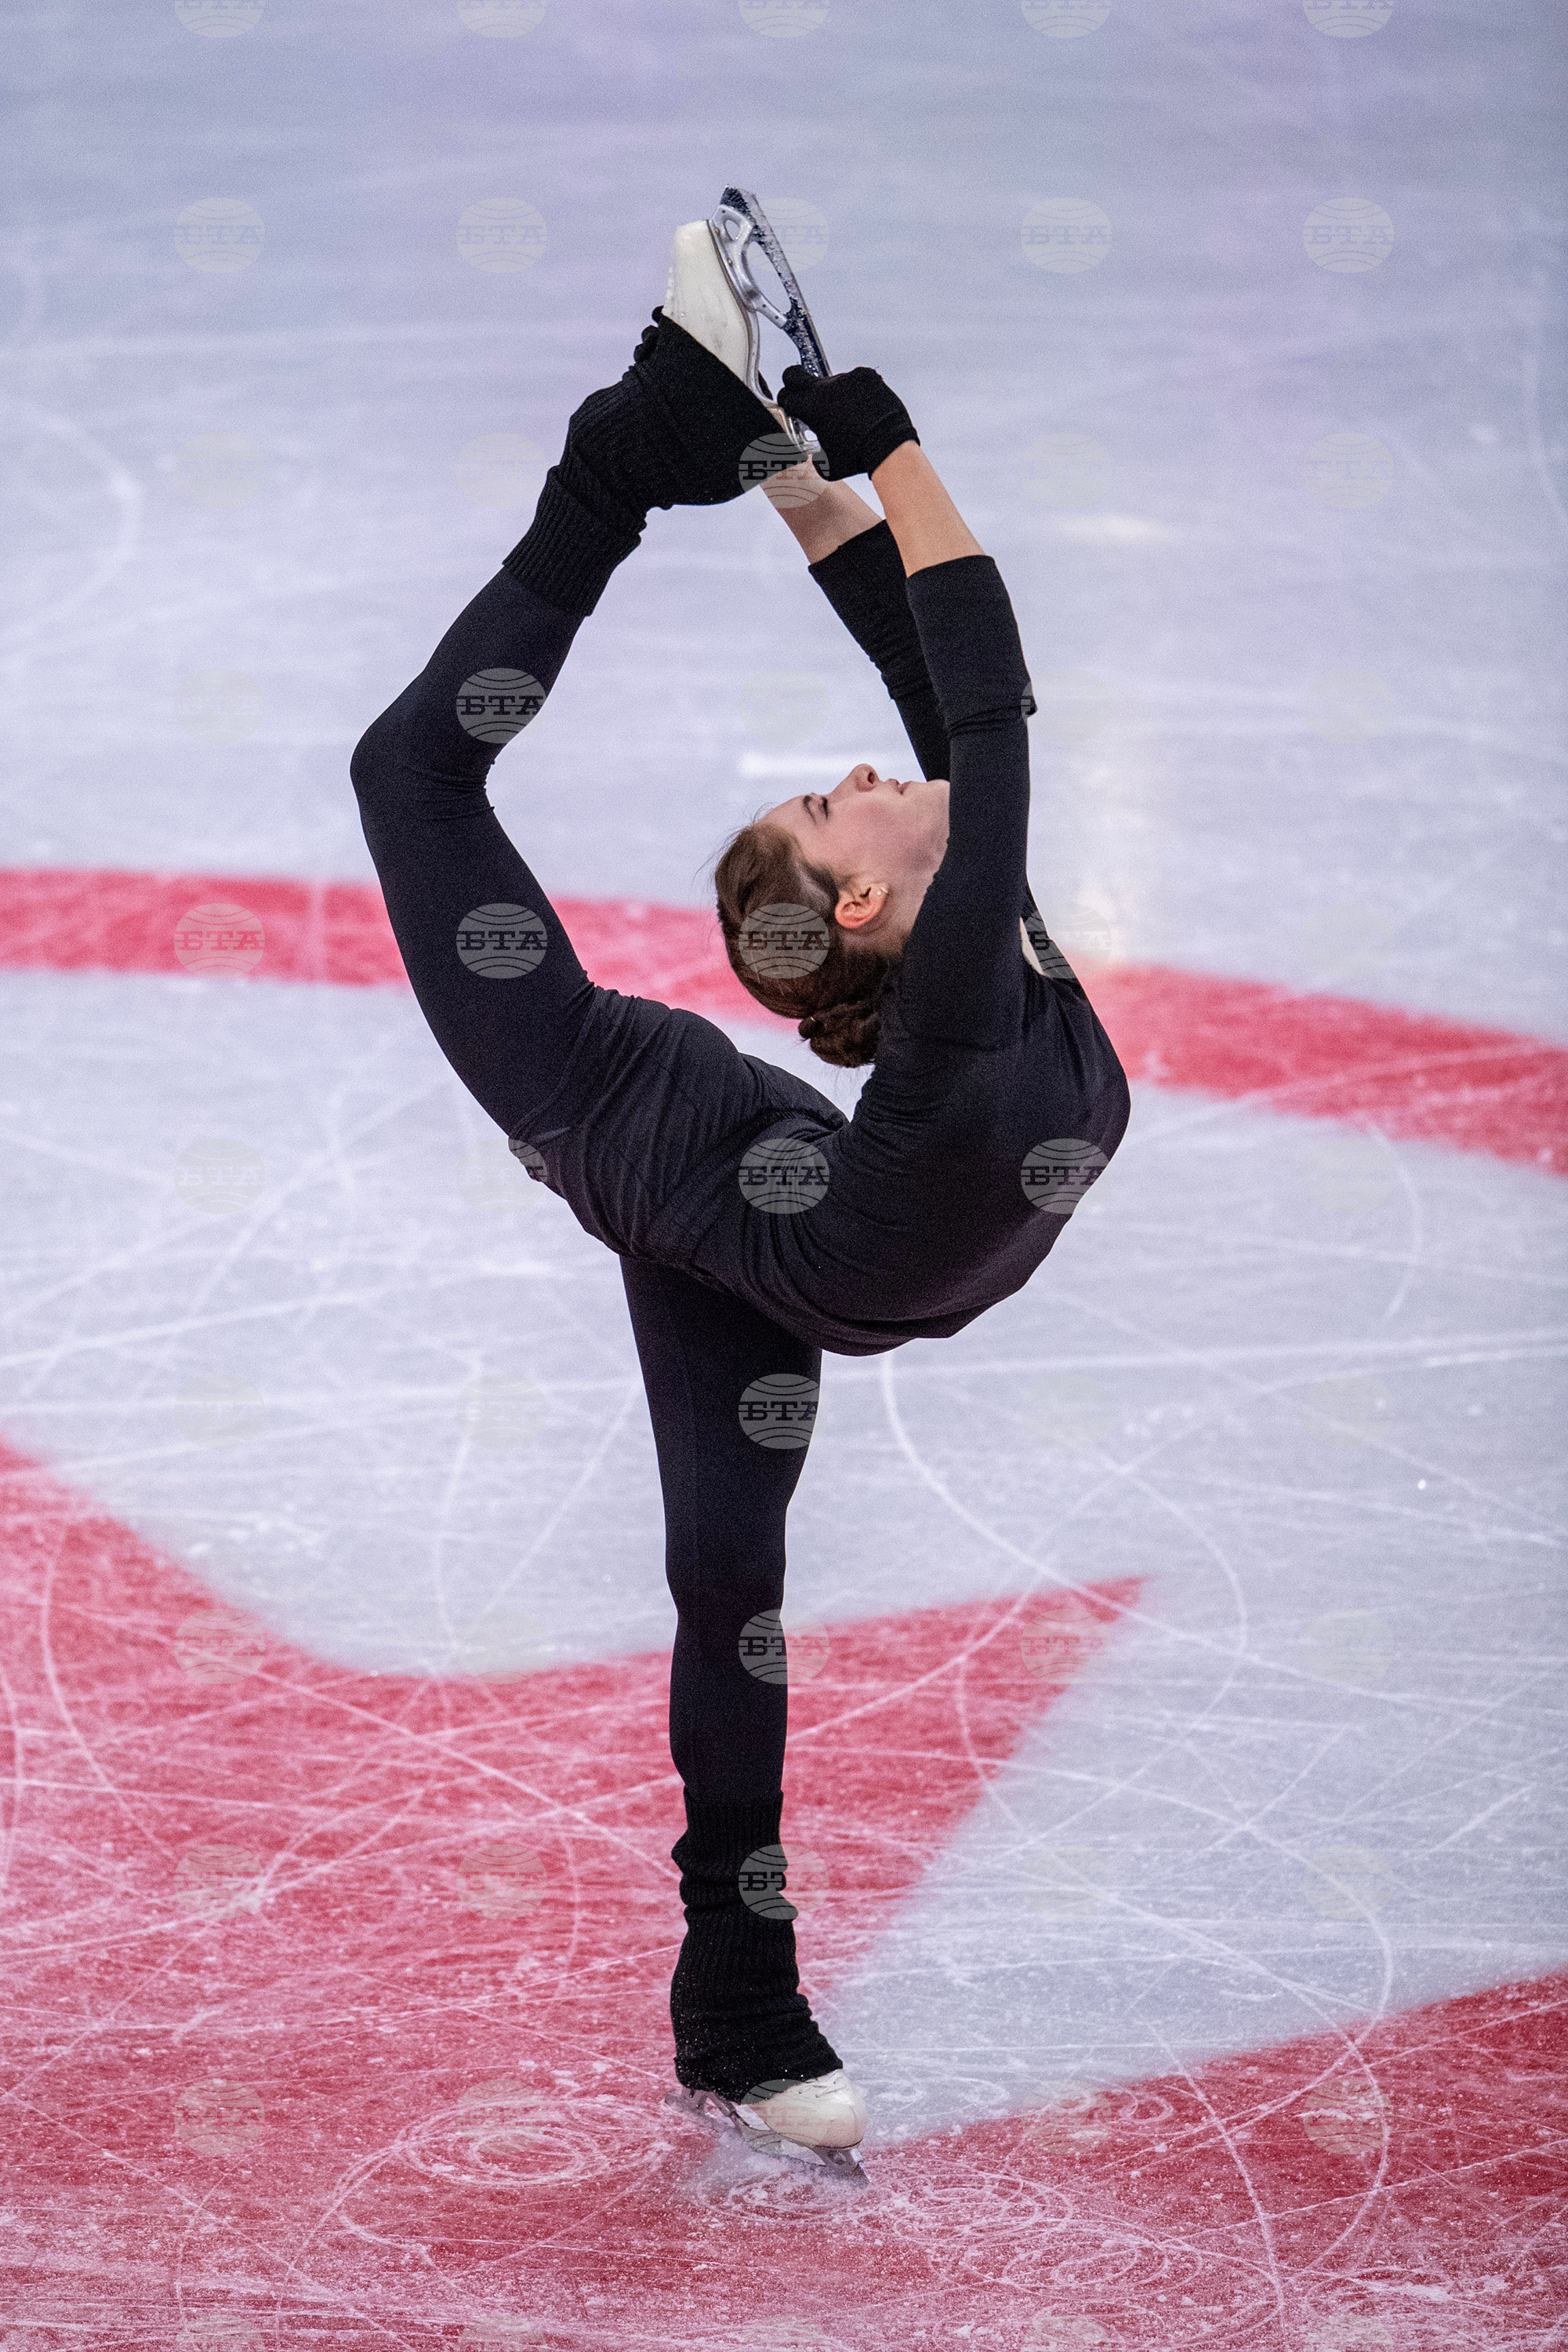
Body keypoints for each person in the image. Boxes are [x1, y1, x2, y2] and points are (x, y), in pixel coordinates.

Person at [350, 227, 1131, 2174]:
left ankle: (734, 2006)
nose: (862, 769)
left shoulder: (980, 956)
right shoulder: (965, 975)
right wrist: (880, 442)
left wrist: (804, 465)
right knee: (410, 781)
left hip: (764, 1215)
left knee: (730, 1592)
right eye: (830, 798)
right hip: (641, 1128)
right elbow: (978, 688)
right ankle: (622, 463)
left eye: (827, 793)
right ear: (864, 905)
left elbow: (943, 684)